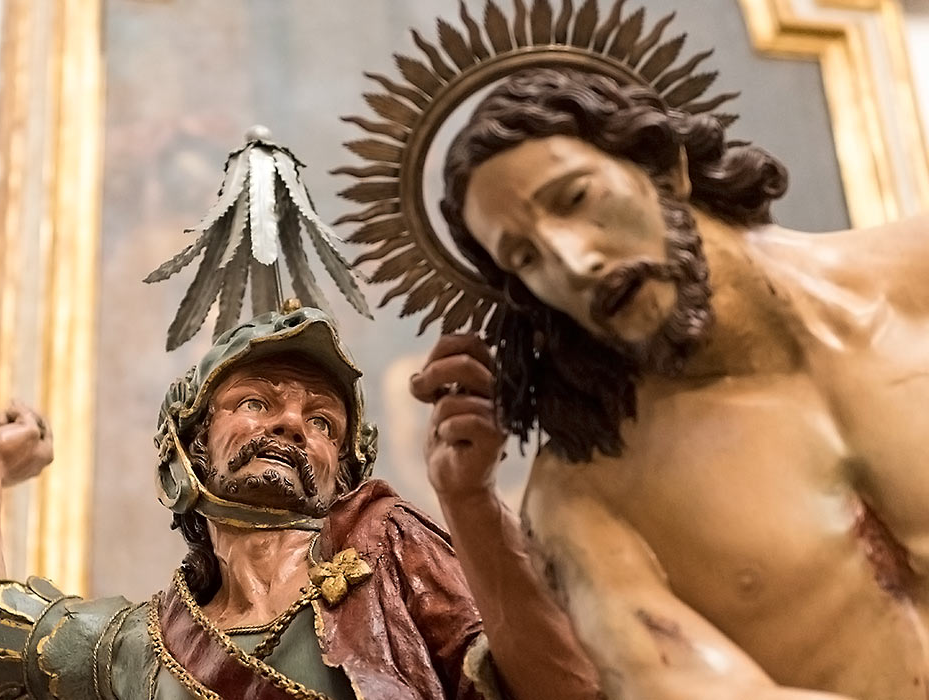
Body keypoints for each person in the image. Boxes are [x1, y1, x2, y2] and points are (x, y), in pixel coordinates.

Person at [335, 4, 929, 698]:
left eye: (576, 197)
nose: (574, 260)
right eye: (526, 256)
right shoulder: (589, 500)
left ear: (665, 168)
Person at [0, 303, 599, 700]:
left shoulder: (389, 551)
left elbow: (566, 689)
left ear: (342, 471)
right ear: (188, 446)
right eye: (255, 403)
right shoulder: (133, 646)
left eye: (322, 422)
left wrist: (470, 499)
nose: (289, 426)